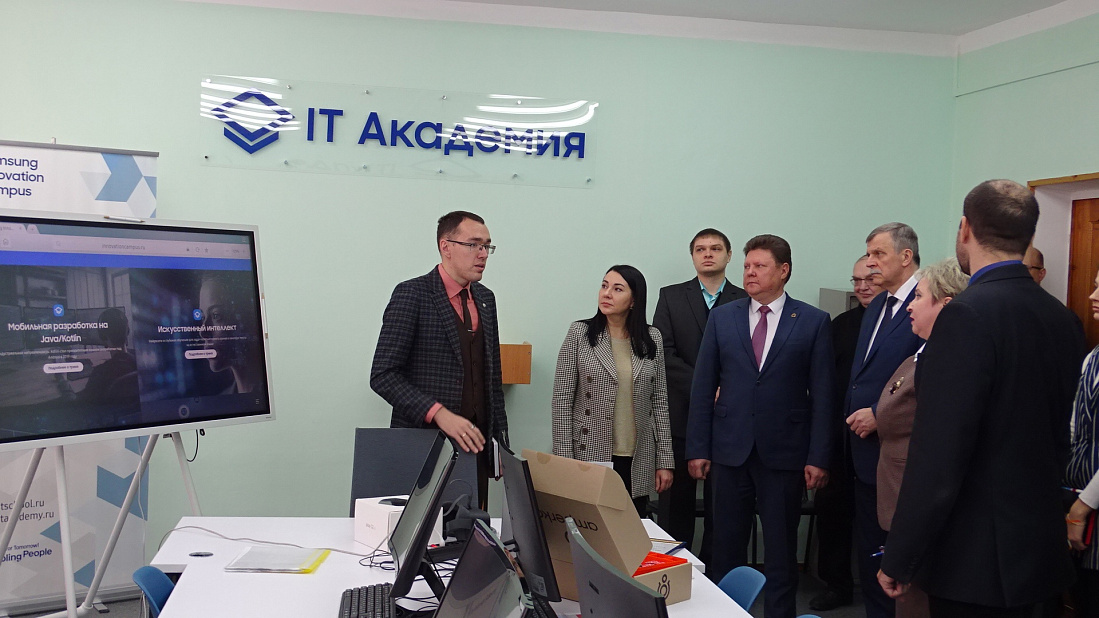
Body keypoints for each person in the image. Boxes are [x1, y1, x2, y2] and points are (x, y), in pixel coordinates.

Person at [878, 179, 1087, 618]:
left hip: (975, 560)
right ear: (1028, 234)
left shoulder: (965, 316)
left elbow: (939, 454)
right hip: (1040, 550)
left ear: (965, 229)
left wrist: (901, 554)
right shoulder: (1063, 319)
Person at [687, 234, 834, 618]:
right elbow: (703, 387)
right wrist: (698, 448)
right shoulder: (723, 317)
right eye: (747, 266)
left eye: (760, 266)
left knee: (781, 552)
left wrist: (819, 456)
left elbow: (823, 396)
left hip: (784, 454)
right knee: (726, 548)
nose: (750, 273)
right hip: (729, 451)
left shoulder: (813, 321)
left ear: (783, 271)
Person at [370, 211, 508, 510]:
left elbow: (492, 379)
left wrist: (500, 446)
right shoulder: (412, 294)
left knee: (470, 530)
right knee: (423, 532)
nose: (483, 254)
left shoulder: (486, 299)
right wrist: (439, 413)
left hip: (475, 447)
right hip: (423, 446)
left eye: (487, 246)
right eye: (474, 244)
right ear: (446, 246)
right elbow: (383, 375)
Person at [875, 257, 967, 618]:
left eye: (918, 297)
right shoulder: (921, 353)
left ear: (946, 305)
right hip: (899, 497)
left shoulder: (946, 363)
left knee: (918, 602)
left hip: (916, 503)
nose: (909, 306)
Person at [653, 228, 747, 567]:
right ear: (692, 256)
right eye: (700, 249)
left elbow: (750, 357)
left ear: (729, 255)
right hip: (681, 415)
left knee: (722, 508)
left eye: (716, 248)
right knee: (675, 506)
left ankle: (716, 576)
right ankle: (672, 574)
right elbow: (663, 353)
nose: (708, 254)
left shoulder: (745, 298)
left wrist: (727, 390)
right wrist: (705, 387)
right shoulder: (671, 296)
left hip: (729, 416)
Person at [846, 222, 924, 618]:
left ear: (906, 256)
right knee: (870, 552)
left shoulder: (928, 303)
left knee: (897, 561)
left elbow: (928, 375)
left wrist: (880, 414)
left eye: (879, 254)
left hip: (899, 452)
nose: (871, 263)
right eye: (869, 254)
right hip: (863, 450)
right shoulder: (877, 304)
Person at [551, 265, 674, 516]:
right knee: (592, 527)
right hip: (589, 452)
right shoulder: (580, 333)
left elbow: (659, 402)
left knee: (631, 528)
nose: (606, 293)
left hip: (638, 456)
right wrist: (564, 460)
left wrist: (665, 461)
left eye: (618, 289)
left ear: (634, 300)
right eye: (604, 286)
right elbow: (561, 401)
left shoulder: (652, 338)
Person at [810, 255, 881, 612]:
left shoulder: (901, 323)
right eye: (856, 281)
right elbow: (822, 384)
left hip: (881, 441)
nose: (862, 287)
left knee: (876, 523)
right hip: (838, 439)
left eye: (870, 279)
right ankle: (836, 585)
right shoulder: (840, 324)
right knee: (833, 515)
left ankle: (878, 591)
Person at [1065, 265, 1099, 616]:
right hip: (1079, 501)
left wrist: (1082, 506)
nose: (1092, 296)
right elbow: (1075, 428)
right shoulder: (1093, 357)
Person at [198, 271, 264, 395]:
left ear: (247, 317)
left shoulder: (277, 391)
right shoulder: (221, 401)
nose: (203, 331)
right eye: (202, 317)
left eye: (216, 315)